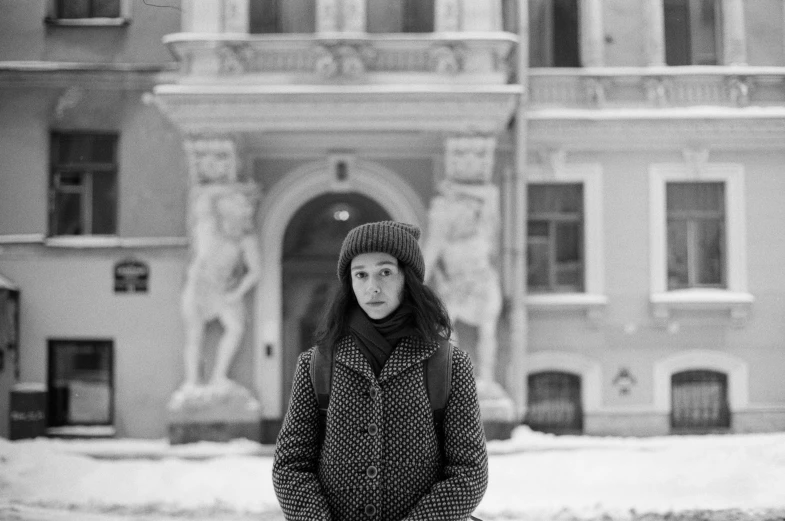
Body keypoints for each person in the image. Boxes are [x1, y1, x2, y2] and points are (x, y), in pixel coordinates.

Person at [273, 221, 488, 521]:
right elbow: (291, 466)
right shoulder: (317, 364)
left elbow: (469, 472)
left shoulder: (449, 364)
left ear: (407, 278)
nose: (372, 286)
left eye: (385, 272)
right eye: (360, 274)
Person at [180, 185, 262, 389]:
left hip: (223, 288)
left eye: (247, 208)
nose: (246, 211)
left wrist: (236, 293)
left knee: (236, 327)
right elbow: (201, 198)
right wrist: (230, 188)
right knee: (194, 335)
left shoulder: (245, 239)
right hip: (197, 286)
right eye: (242, 206)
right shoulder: (208, 226)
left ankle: (219, 376)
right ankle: (192, 382)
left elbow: (255, 271)